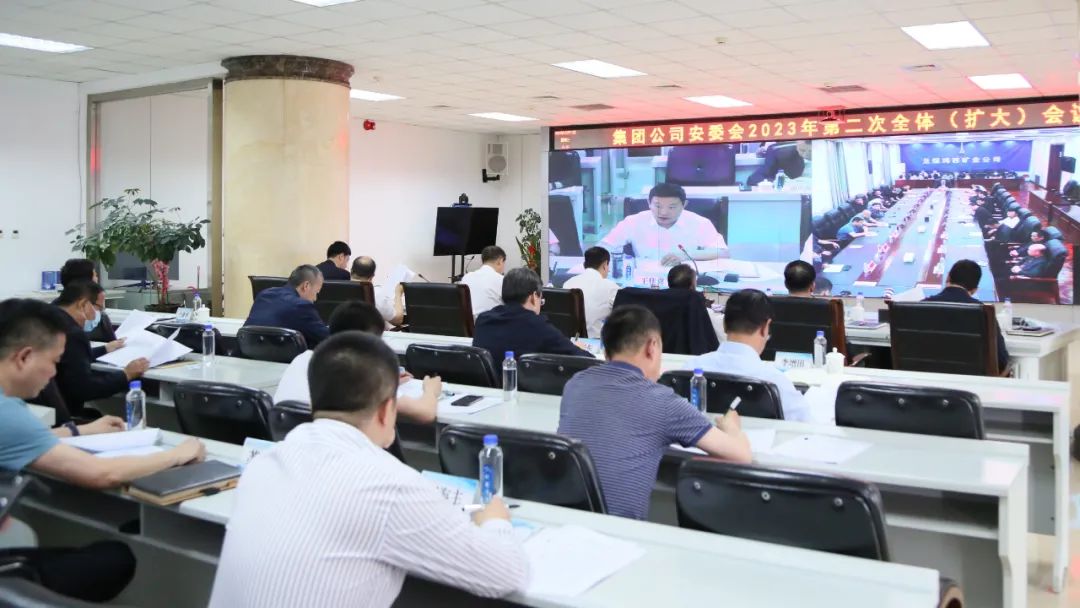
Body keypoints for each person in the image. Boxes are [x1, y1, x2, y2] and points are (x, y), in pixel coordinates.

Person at [208, 332, 528, 608]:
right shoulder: (388, 485)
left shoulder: (263, 464)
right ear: (388, 409)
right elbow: (506, 573)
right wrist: (495, 520)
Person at [0, 298, 206, 602]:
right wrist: (177, 453)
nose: (54, 374)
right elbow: (101, 474)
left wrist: (79, 430)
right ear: (24, 357)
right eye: (54, 362)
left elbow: (20, 439)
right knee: (115, 559)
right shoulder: (7, 413)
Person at [558, 305, 751, 520]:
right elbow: (741, 456)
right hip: (619, 531)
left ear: (606, 349)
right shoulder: (662, 401)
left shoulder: (575, 384)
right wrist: (732, 428)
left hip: (564, 522)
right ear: (652, 346)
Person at [685, 289, 812, 422]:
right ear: (765, 328)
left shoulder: (691, 370)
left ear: (724, 325)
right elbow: (806, 424)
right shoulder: (775, 381)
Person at [52, 281, 146, 418]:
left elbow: (68, 357)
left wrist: (105, 348)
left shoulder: (46, 320)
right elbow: (85, 389)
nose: (99, 314)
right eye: (99, 308)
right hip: (64, 416)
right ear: (82, 304)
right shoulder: (73, 333)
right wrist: (126, 374)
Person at [473, 267, 592, 362]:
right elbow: (584, 359)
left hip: (487, 386)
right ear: (534, 296)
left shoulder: (483, 320)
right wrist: (579, 348)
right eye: (541, 300)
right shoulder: (537, 325)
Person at [599, 183, 728, 267]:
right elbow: (602, 248)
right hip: (643, 281)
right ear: (649, 203)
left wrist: (685, 256)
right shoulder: (633, 221)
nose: (664, 212)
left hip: (682, 282)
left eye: (672, 207)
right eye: (658, 206)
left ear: (684, 205)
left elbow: (723, 252)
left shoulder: (699, 223)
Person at [923, 260, 1009, 373]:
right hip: (972, 381)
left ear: (948, 277)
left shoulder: (921, 306)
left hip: (925, 379)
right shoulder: (983, 312)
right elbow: (1001, 360)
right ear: (974, 290)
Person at [244, 265, 329, 347]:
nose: (315, 298)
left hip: (247, 353)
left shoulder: (264, 294)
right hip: (280, 356)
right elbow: (328, 337)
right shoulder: (302, 306)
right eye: (316, 292)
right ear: (306, 286)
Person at [563, 247, 620, 339]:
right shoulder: (610, 287)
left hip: (571, 341)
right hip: (597, 343)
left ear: (584, 264)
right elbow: (625, 314)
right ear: (605, 265)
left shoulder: (568, 283)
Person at [57, 258, 116, 342]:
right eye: (95, 275)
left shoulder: (101, 317)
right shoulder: (54, 319)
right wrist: (105, 348)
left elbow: (113, 341)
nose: (97, 279)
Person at [350, 256, 404, 326]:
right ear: (372, 276)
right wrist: (398, 293)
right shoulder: (376, 294)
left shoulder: (339, 288)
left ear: (351, 271)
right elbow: (397, 320)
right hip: (368, 332)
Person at [458, 245, 506, 318]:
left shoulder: (466, 277)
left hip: (466, 323)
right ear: (500, 261)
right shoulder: (501, 280)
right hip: (490, 323)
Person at [747, 140, 811, 186]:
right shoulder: (782, 153)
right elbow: (753, 179)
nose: (805, 154)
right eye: (802, 150)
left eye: (810, 151)